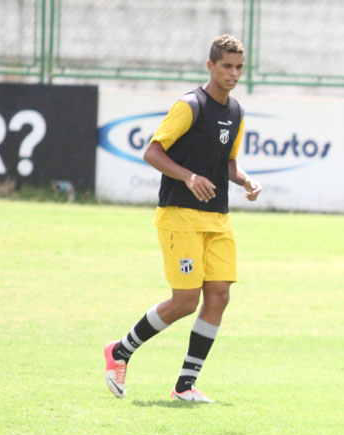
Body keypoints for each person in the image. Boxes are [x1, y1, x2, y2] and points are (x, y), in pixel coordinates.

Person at [103, 35, 262, 403]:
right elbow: (152, 152)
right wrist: (188, 176)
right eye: (227, 66)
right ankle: (120, 351)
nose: (234, 73)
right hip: (180, 216)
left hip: (217, 218)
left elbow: (228, 164)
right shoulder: (189, 106)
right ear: (210, 66)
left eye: (239, 67)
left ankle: (185, 386)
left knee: (219, 296)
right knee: (186, 300)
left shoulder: (236, 112)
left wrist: (246, 180)